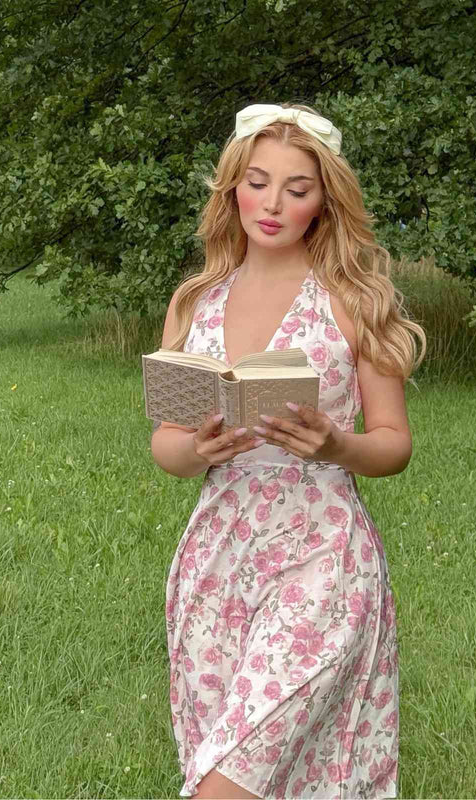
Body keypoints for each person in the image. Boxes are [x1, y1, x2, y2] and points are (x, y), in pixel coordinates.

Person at [150, 102, 426, 800]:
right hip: (216, 559)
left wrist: (337, 444)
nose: (272, 204)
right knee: (237, 761)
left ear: (323, 201)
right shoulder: (194, 301)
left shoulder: (355, 301)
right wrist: (201, 449)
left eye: (296, 189)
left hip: (321, 557)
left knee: (232, 777)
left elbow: (393, 444)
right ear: (232, 189)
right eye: (258, 182)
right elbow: (166, 447)